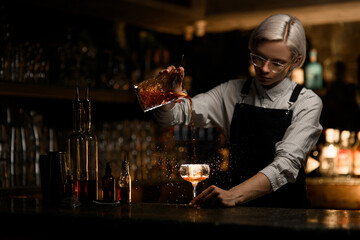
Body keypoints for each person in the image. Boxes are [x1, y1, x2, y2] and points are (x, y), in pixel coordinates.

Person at [154, 14, 323, 208]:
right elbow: (172, 117)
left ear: (295, 61)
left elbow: (285, 166)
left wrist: (232, 195)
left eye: (277, 63)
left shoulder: (307, 102)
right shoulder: (231, 92)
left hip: (288, 217)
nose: (265, 69)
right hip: (239, 214)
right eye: (258, 58)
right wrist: (167, 95)